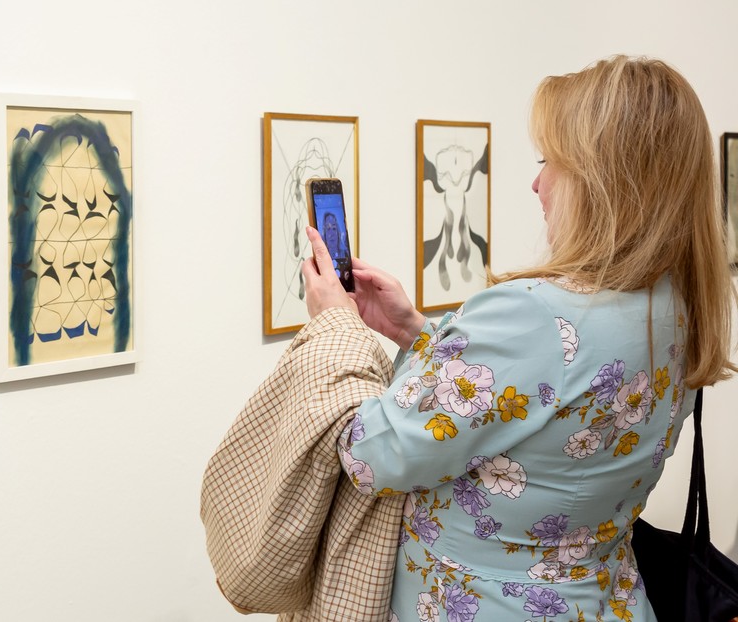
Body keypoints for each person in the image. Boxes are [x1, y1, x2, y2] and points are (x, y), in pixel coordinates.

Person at [299, 55, 735, 621]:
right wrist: (415, 333)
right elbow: (537, 403)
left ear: (602, 180)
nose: (537, 183)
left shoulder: (534, 316)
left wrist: (334, 326)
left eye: (548, 162)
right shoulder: (677, 308)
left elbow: (369, 456)